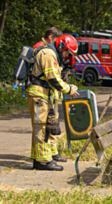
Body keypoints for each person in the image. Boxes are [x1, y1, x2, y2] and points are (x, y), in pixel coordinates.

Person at [27, 27, 78, 170]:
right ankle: (42, 161)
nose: (67, 56)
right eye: (67, 52)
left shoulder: (50, 53)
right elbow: (52, 78)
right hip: (39, 95)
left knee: (44, 128)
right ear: (61, 47)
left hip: (43, 95)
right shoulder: (48, 54)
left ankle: (42, 158)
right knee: (41, 128)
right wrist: (68, 90)